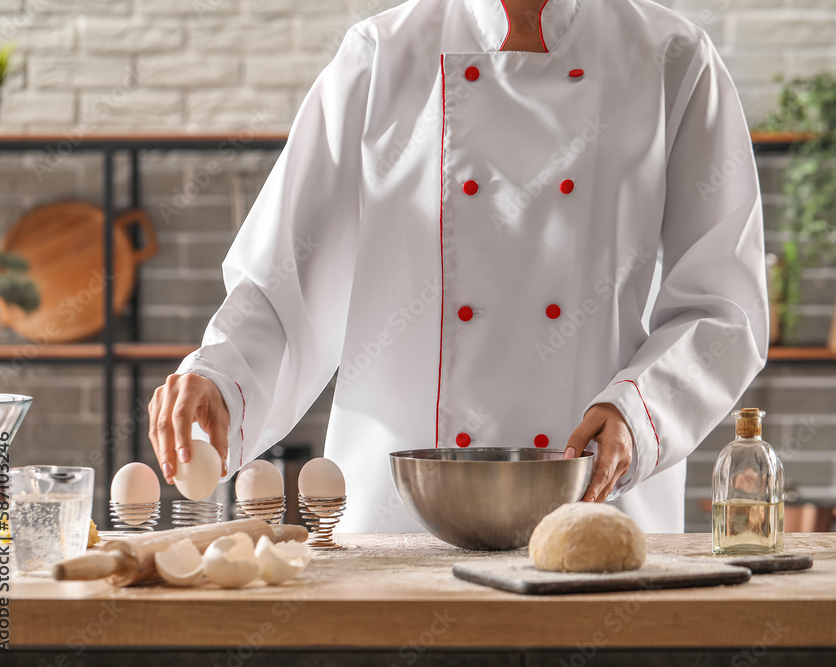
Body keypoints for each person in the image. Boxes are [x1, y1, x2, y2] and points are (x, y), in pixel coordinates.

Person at [148, 0, 768, 533]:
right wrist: (220, 375)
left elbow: (723, 306)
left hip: (595, 502)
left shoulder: (674, 58)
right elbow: (286, 283)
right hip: (401, 517)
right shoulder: (381, 57)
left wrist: (640, 412)